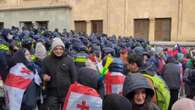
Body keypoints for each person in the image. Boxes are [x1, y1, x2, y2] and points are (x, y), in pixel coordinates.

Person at [42, 37, 77, 110]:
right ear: (52, 49)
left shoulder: (69, 60)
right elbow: (42, 72)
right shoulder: (46, 60)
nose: (58, 51)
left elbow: (74, 76)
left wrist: (74, 91)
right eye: (56, 49)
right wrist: (43, 76)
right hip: (52, 93)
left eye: (61, 49)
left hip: (66, 92)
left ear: (63, 49)